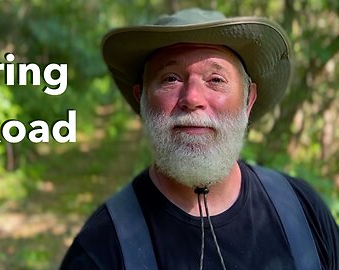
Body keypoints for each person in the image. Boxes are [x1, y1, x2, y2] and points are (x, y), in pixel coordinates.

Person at [60, 8, 339, 270]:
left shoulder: (303, 211)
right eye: (170, 78)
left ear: (248, 100)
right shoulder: (101, 248)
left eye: (216, 79)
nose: (192, 99)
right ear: (142, 100)